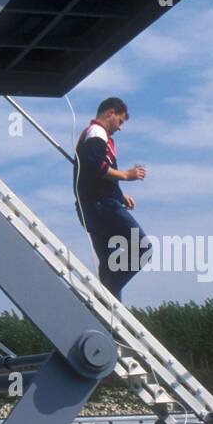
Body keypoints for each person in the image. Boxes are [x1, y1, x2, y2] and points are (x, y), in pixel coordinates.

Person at [73, 97, 150, 301]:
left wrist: (119, 194)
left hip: (93, 206)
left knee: (110, 265)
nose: (120, 127)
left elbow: (96, 175)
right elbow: (96, 166)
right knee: (142, 248)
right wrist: (126, 175)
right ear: (110, 113)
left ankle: (108, 314)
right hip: (101, 206)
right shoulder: (97, 133)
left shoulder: (95, 135)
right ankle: (103, 297)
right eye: (121, 121)